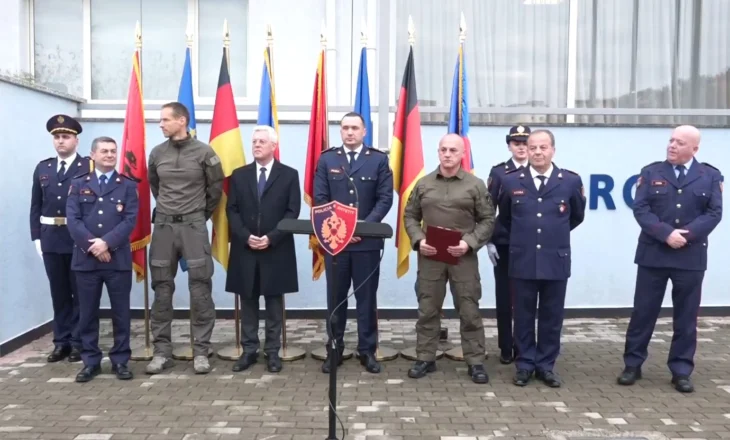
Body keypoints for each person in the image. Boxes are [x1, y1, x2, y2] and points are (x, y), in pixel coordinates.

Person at [617, 125, 723, 393]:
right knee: (643, 313)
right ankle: (632, 365)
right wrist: (666, 234)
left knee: (686, 318)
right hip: (654, 254)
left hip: (690, 256)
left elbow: (714, 213)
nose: (672, 146)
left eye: (680, 142)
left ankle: (681, 370)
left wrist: (685, 235)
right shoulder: (651, 171)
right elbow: (641, 209)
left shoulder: (709, 176)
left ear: (694, 149)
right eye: (671, 140)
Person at [497, 129, 585, 388]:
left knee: (551, 316)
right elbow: (505, 218)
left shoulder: (569, 180)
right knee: (522, 315)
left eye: (542, 147)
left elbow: (576, 216)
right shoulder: (511, 181)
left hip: (555, 259)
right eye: (532, 147)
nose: (536, 152)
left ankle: (546, 365)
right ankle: (525, 364)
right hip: (522, 259)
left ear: (552, 150)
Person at [404, 133, 495, 384]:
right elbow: (410, 216)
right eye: (443, 149)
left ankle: (475, 361)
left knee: (468, 310)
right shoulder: (423, 184)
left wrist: (469, 242)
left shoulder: (475, 185)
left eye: (453, 150)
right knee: (427, 309)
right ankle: (425, 357)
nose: (447, 154)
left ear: (462, 153)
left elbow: (488, 220)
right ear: (438, 152)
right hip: (430, 257)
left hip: (462, 258)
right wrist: (418, 240)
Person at [146, 101, 224, 375]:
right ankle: (161, 352)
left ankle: (201, 351)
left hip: (193, 226)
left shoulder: (204, 152)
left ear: (182, 121)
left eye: (165, 119)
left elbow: (215, 189)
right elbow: (156, 186)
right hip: (164, 228)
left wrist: (197, 214)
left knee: (200, 288)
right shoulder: (156, 153)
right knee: (162, 289)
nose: (161, 124)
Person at [313, 112, 393, 374]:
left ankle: (367, 351)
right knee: (335, 299)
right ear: (340, 131)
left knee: (366, 300)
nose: (349, 132)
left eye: (354, 128)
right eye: (345, 127)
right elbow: (321, 197)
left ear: (364, 131)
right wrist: (344, 229)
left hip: (366, 244)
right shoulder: (327, 159)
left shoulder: (379, 160)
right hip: (336, 242)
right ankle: (334, 349)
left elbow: (384, 199)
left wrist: (362, 228)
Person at [225, 126, 301, 373]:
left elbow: (293, 211)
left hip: (275, 249)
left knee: (273, 303)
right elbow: (232, 210)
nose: (256, 145)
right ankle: (248, 351)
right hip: (245, 248)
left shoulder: (289, 175)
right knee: (247, 301)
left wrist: (272, 237)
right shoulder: (239, 175)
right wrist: (246, 237)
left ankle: (272, 352)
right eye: (254, 141)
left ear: (273, 146)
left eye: (262, 141)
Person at [66, 137, 138, 382]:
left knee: (121, 313)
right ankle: (90, 361)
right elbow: (73, 220)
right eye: (104, 151)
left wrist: (106, 243)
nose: (109, 155)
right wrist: (94, 246)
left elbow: (130, 220)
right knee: (87, 313)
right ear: (92, 155)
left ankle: (120, 361)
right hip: (86, 261)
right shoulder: (78, 184)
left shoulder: (127, 185)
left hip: (116, 260)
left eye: (113, 151)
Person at [30, 114, 93, 364]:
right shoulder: (43, 168)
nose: (60, 141)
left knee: (80, 292)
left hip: (77, 238)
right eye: (56, 137)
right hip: (51, 238)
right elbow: (36, 205)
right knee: (59, 293)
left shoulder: (87, 167)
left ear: (76, 140)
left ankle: (79, 342)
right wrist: (36, 237)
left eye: (65, 137)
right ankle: (61, 342)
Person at [485, 124, 531, 364]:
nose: (521, 148)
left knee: (528, 298)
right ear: (509, 146)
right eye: (516, 144)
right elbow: (487, 209)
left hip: (532, 245)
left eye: (525, 143)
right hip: (504, 244)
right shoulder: (500, 172)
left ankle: (525, 346)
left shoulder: (540, 170)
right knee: (505, 298)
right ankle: (506, 347)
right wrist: (489, 242)